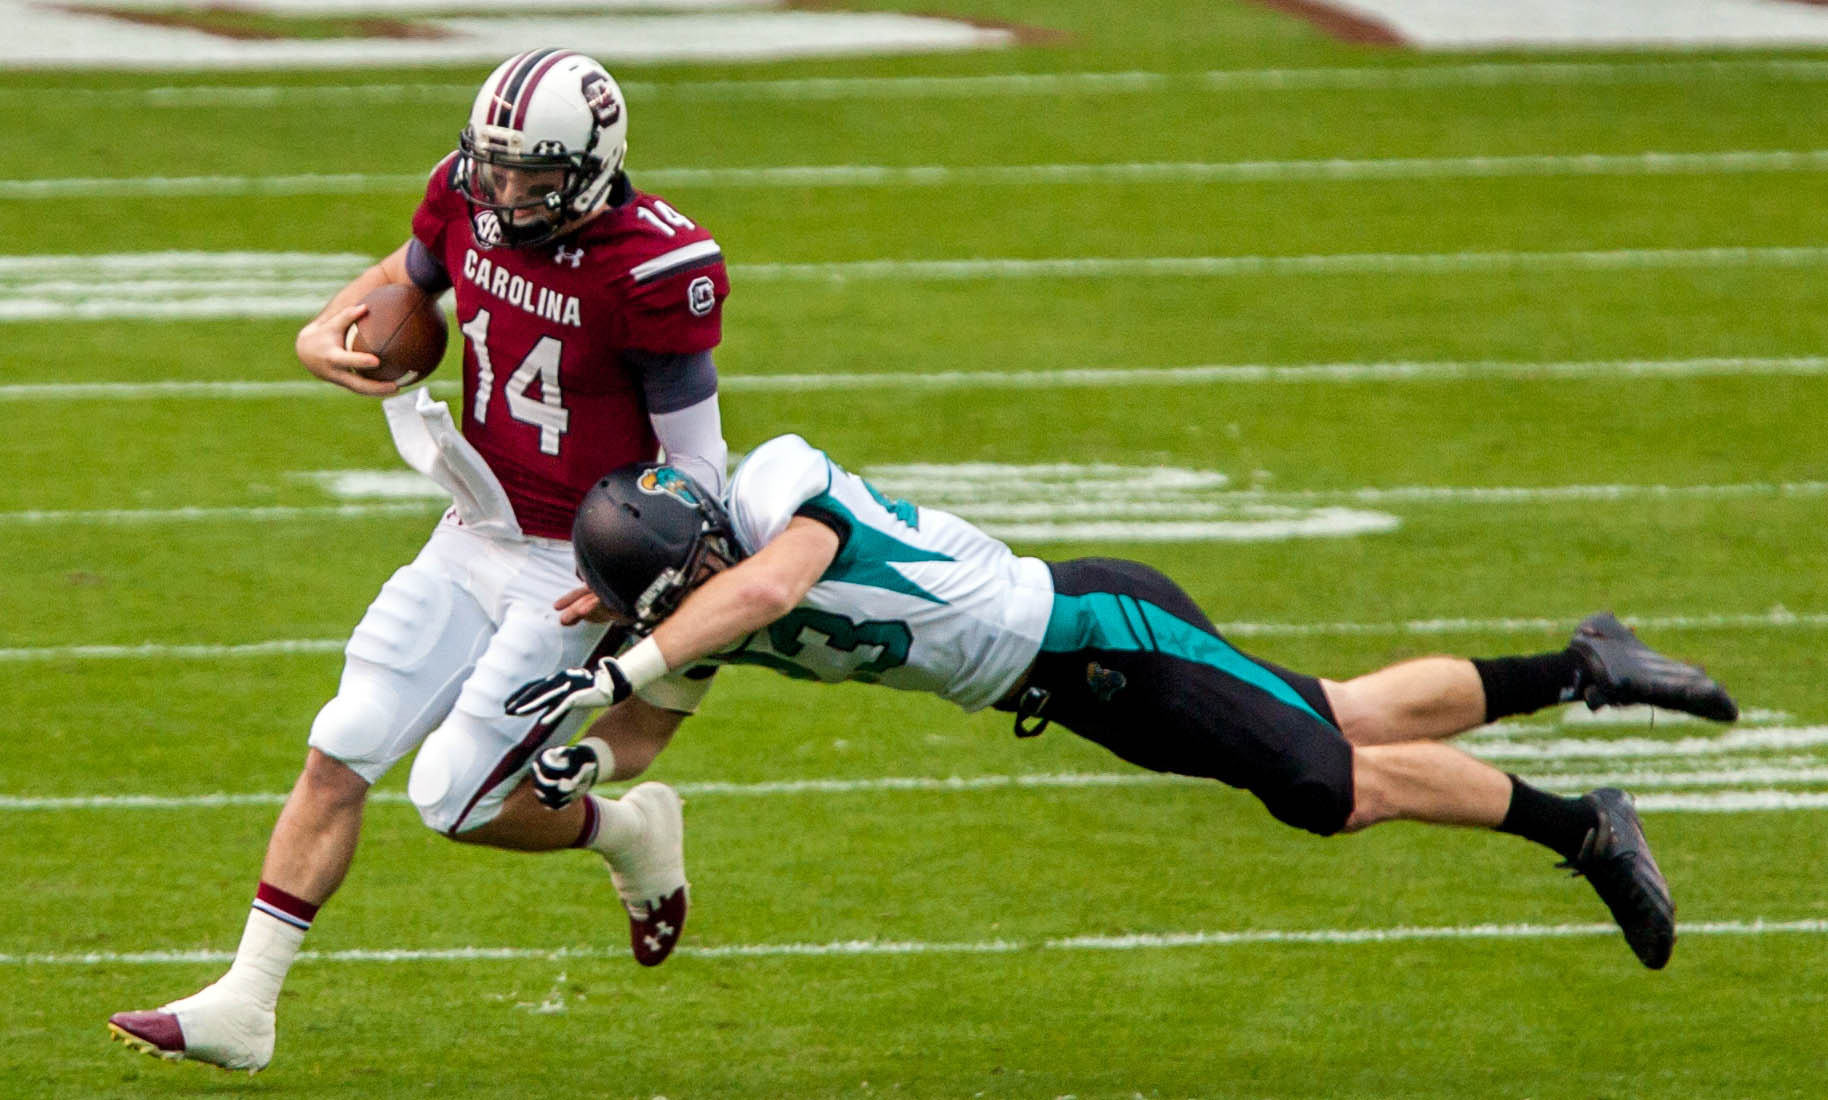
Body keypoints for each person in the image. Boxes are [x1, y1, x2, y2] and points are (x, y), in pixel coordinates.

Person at [504, 434, 1740, 975]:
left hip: (1101, 625)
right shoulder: (694, 621)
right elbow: (652, 723)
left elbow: (771, 581)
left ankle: (1583, 823)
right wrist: (588, 766)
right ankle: (1587, 663)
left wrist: (619, 662)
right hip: (1069, 689)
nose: (703, 597)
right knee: (1342, 712)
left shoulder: (772, 493)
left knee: (1324, 784)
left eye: (691, 580)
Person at [108, 48, 730, 1073]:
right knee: (342, 738)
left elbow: (698, 459)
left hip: (574, 558)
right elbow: (406, 279)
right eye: (493, 165)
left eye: (532, 173)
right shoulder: (463, 196)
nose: (505, 190)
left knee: (456, 796)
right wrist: (321, 330)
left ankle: (627, 833)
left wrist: (639, 574)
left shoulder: (652, 267)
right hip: (476, 522)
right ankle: (246, 1001)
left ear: (590, 166)